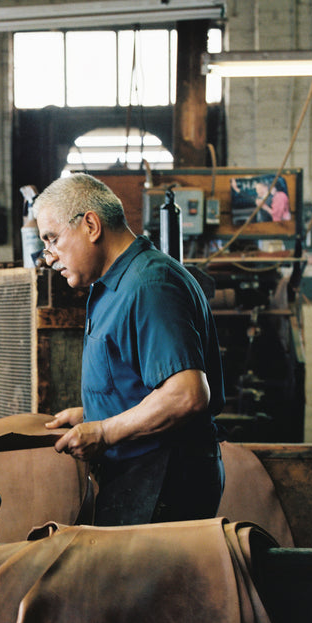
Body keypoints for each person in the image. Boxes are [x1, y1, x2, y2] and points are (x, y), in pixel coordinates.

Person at [35, 173, 225, 526]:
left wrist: (104, 431)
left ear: (91, 224)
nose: (49, 257)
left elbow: (186, 395)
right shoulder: (113, 284)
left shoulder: (150, 284)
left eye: (53, 239)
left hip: (162, 478)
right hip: (138, 474)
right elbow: (136, 377)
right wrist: (93, 412)